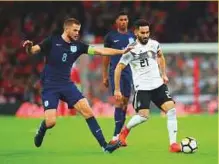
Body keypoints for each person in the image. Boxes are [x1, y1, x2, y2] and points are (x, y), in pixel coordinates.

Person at [22, 18, 132, 153]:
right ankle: (42, 129)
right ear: (66, 29)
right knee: (51, 122)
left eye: (78, 30)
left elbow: (100, 51)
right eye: (74, 30)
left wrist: (122, 52)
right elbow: (33, 50)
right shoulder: (51, 41)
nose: (76, 33)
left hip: (67, 85)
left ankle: (105, 146)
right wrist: (28, 47)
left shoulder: (78, 46)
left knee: (87, 111)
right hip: (50, 86)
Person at [114, 19, 181, 153]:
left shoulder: (154, 44)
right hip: (142, 87)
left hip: (158, 85)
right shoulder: (131, 49)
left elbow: (161, 57)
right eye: (142, 32)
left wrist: (163, 74)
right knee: (143, 116)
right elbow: (118, 68)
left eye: (147, 32)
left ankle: (173, 144)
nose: (145, 35)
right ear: (136, 32)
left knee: (172, 110)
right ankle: (125, 131)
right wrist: (117, 89)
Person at [102, 11, 135, 146]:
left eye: (125, 19)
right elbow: (105, 56)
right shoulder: (110, 37)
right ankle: (115, 137)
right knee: (119, 101)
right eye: (121, 19)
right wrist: (104, 75)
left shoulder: (133, 36)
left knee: (125, 104)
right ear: (116, 22)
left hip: (129, 73)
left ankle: (121, 135)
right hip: (115, 72)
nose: (123, 22)